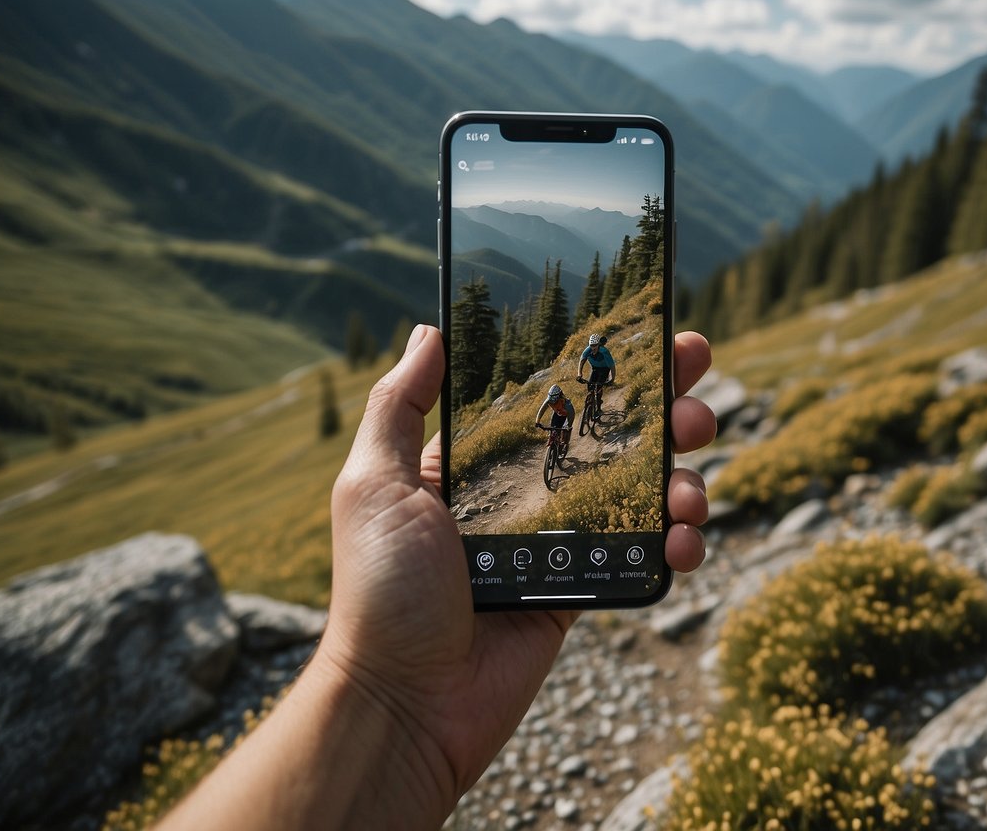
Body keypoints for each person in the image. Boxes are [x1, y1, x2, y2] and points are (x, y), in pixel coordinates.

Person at [159, 325, 716, 831]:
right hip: (564, 410)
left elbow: (602, 376)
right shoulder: (555, 394)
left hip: (578, 410)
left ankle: (575, 443)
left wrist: (380, 696)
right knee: (559, 434)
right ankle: (560, 453)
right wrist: (384, 684)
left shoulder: (592, 368)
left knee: (576, 432)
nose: (588, 362)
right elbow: (548, 409)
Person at [577, 333, 615, 415]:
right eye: (591, 345)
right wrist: (579, 374)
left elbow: (612, 366)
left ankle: (598, 407)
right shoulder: (587, 350)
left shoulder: (604, 351)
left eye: (595, 345)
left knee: (598, 386)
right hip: (595, 368)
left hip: (605, 369)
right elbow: (582, 361)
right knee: (590, 385)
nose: (593, 348)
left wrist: (612, 379)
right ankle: (590, 403)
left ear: (599, 344)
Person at [534, 383, 574, 458]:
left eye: (554, 402)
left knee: (565, 432)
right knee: (553, 430)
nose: (552, 403)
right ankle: (553, 445)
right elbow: (541, 410)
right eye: (551, 402)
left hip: (566, 417)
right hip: (557, 415)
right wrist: (537, 421)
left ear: (559, 397)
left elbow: (570, 419)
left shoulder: (568, 406)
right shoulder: (548, 400)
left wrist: (568, 427)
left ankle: (565, 444)